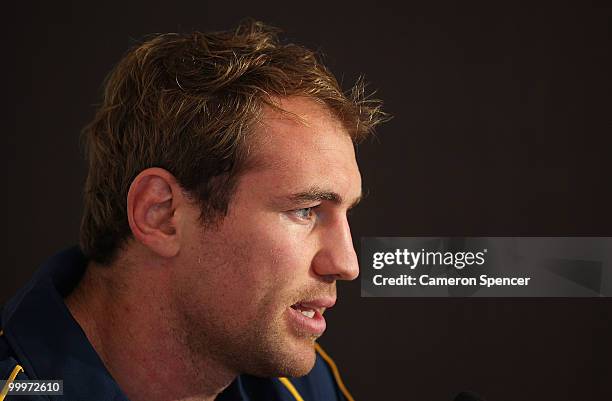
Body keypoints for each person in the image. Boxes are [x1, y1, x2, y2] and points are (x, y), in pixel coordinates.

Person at [0, 20, 386, 401]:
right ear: (161, 213)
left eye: (346, 213)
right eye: (306, 210)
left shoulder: (298, 385)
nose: (347, 264)